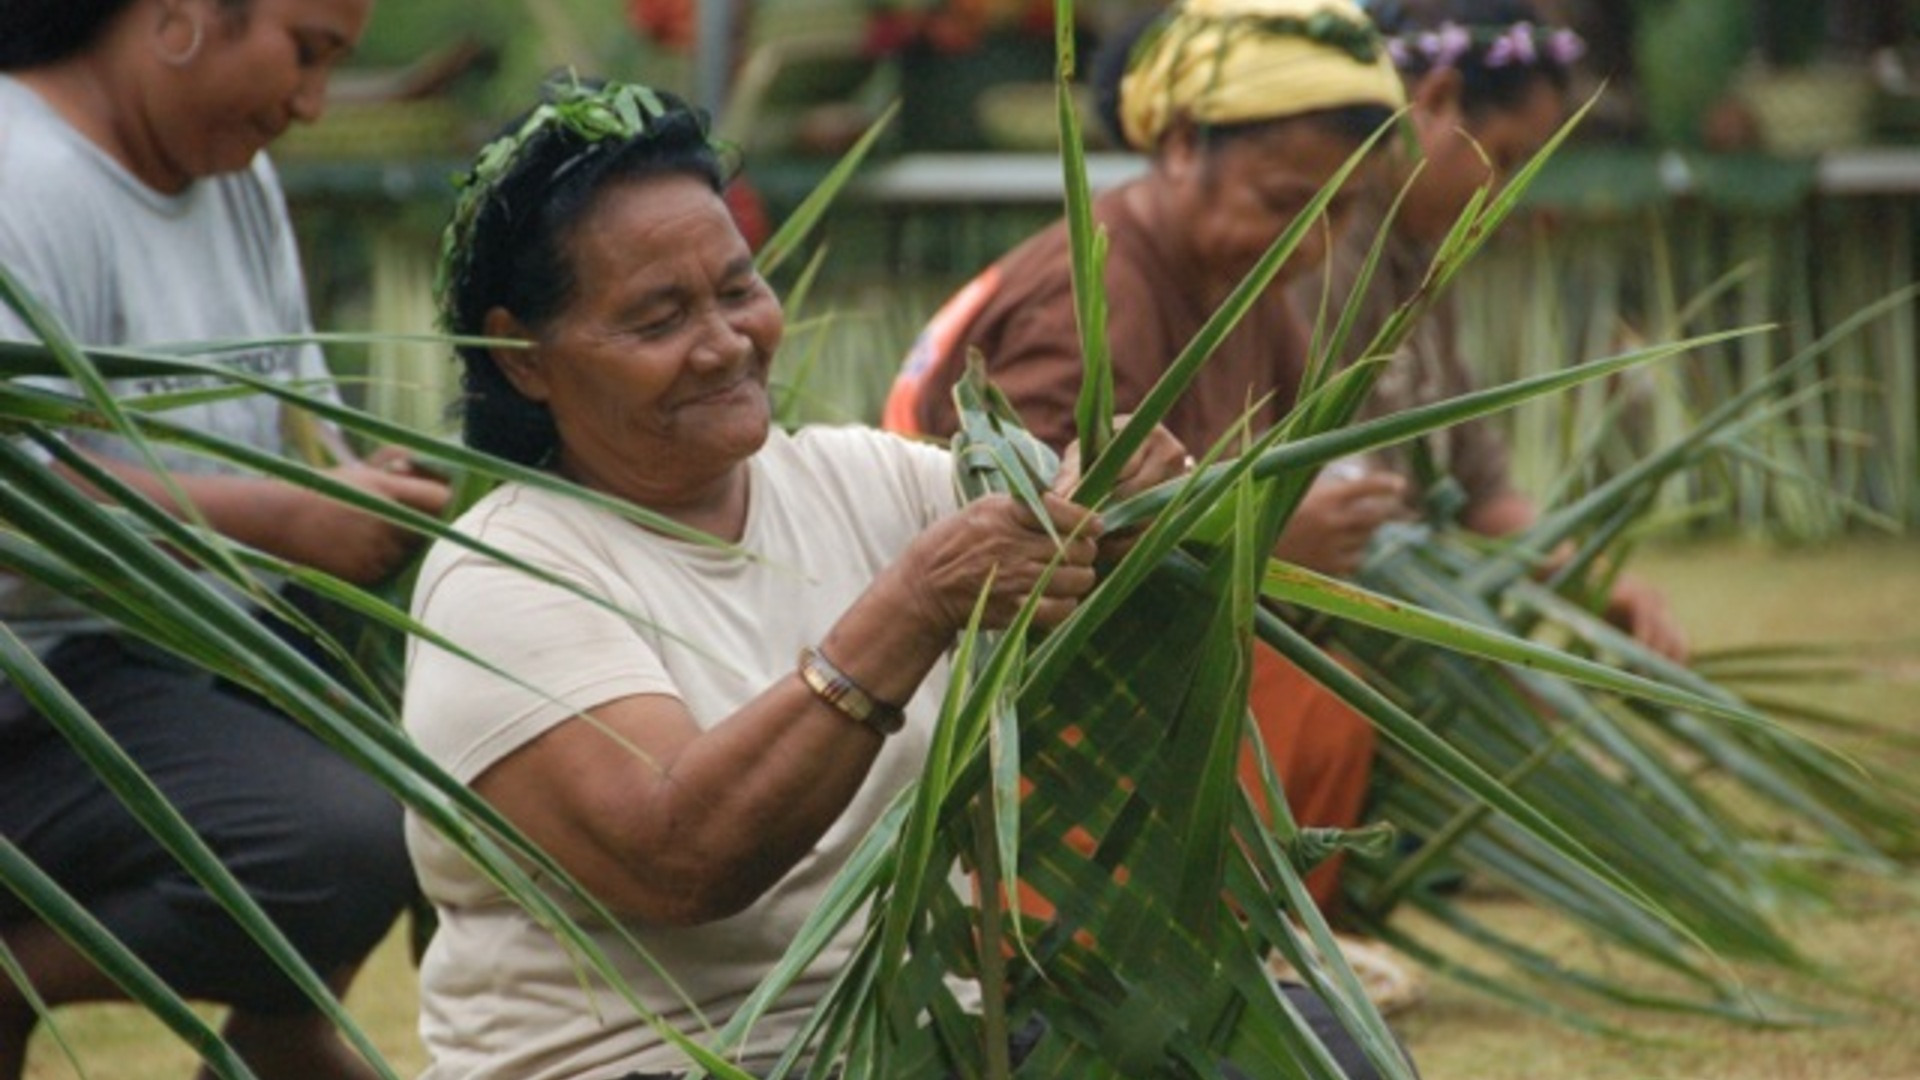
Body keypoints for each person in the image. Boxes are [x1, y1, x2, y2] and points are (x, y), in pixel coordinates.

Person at [404, 75, 1409, 1080]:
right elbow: (682, 855)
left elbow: (1069, 533)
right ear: (521, 354)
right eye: (658, 319)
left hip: (912, 1034)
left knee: (1328, 1051)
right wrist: (914, 604)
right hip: (664, 1062)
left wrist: (1142, 515)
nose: (724, 344)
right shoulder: (506, 573)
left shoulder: (858, 478)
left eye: (739, 290)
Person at [883, 0, 1410, 923]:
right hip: (985, 695)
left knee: (1331, 701)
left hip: (1139, 656)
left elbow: (1277, 465)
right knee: (1269, 691)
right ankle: (1102, 951)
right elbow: (1023, 541)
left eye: (1342, 210)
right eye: (1287, 203)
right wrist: (1270, 546)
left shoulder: (1251, 285)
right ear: (1176, 147)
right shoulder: (1096, 294)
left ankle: (1255, 943)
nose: (1316, 242)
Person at [0, 1, 451, 1076]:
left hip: (193, 643)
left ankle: (280, 1040)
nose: (310, 103)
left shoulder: (233, 181)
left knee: (456, 749)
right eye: (306, 53)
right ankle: (16, 969)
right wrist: (291, 519)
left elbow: (297, 417)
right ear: (184, 15)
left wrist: (368, 486)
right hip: (40, 679)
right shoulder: (23, 174)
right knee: (335, 842)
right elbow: (19, 490)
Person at [1303, 0, 1686, 660]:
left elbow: (1479, 483)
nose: (1506, 194)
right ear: (1439, 98)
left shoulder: (1417, 256)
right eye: (1506, 158)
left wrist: (1594, 578)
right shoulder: (1325, 255)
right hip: (1326, 629)